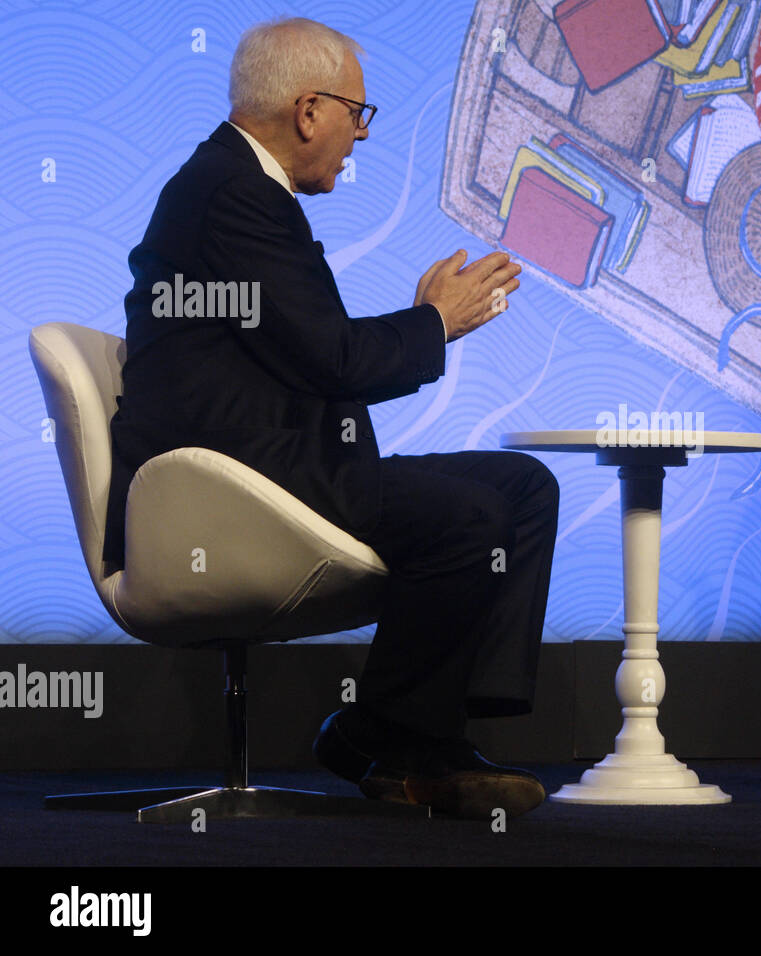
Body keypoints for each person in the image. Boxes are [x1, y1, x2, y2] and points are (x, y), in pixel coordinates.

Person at [102, 17, 559, 819]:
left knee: (522, 487)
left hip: (275, 465)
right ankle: (390, 737)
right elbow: (337, 362)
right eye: (358, 112)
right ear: (309, 110)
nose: (360, 135)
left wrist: (424, 322)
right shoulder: (233, 196)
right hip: (231, 486)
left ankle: (425, 736)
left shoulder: (233, 189)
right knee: (470, 519)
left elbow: (319, 354)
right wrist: (434, 323)